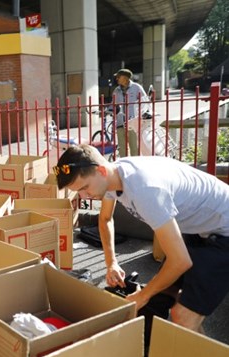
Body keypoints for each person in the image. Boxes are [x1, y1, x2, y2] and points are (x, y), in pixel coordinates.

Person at [53, 144, 229, 334]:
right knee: (165, 293)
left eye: (85, 188)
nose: (84, 196)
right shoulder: (113, 177)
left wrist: (142, 296)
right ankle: (199, 351)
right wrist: (111, 263)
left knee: (183, 316)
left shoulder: (146, 191)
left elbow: (180, 261)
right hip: (203, 227)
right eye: (78, 191)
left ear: (101, 170)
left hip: (224, 232)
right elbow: (105, 219)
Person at [112, 68, 148, 158]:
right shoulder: (116, 90)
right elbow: (112, 105)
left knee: (134, 149)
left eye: (118, 77)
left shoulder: (137, 88)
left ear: (125, 77)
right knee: (122, 150)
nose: (117, 79)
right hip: (120, 123)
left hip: (133, 123)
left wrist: (139, 115)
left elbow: (145, 102)